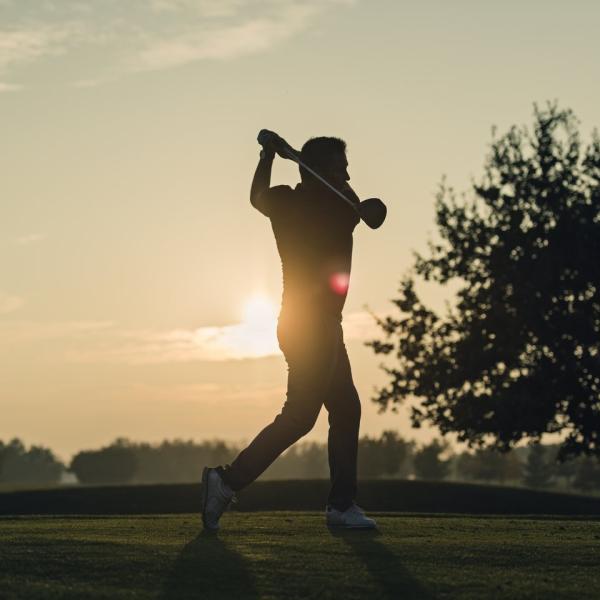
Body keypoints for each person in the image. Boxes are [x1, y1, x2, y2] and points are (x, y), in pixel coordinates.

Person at [201, 131, 377, 530]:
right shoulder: (326, 205)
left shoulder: (314, 202)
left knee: (345, 409)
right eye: (339, 166)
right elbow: (259, 198)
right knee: (300, 415)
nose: (347, 173)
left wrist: (268, 157)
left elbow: (259, 196)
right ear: (318, 170)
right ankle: (227, 481)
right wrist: (271, 155)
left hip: (310, 324)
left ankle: (341, 506)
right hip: (312, 326)